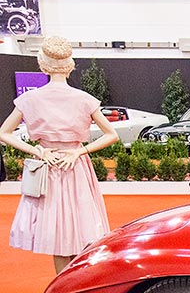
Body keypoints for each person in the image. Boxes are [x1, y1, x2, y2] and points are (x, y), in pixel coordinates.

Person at [0, 36, 119, 274]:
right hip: (76, 168)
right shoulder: (85, 100)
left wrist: (39, 150)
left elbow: (5, 132)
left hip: (49, 168)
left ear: (42, 64)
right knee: (83, 233)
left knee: (58, 238)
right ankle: (78, 290)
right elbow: (111, 135)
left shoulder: (29, 99)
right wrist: (79, 151)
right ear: (70, 65)